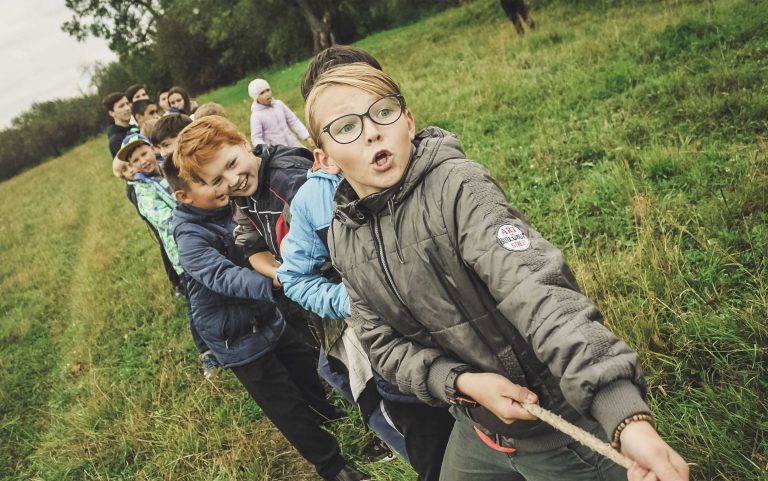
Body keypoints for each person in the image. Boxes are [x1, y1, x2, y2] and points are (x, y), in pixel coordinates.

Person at [303, 63, 691, 481]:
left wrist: (622, 413)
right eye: (345, 127)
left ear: (409, 121)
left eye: (383, 112)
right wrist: (461, 382)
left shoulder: (458, 189)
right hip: (475, 428)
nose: (372, 131)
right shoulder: (344, 236)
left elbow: (539, 293)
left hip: (555, 432)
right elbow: (381, 344)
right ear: (324, 159)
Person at [169, 124, 371, 481]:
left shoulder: (256, 188)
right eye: (213, 181)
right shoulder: (189, 235)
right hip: (236, 336)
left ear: (244, 145)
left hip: (270, 315)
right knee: (284, 403)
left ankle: (329, 414)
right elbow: (222, 276)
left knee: (307, 368)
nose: (226, 184)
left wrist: (281, 277)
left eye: (228, 168)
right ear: (186, 195)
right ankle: (331, 465)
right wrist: (279, 280)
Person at [114, 134, 216, 375]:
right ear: (132, 166)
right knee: (197, 304)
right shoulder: (142, 190)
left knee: (216, 288)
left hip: (207, 238)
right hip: (183, 253)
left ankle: (227, 334)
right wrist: (195, 213)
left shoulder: (171, 169)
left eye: (144, 153)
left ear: (152, 149)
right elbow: (164, 219)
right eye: (136, 159)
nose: (143, 160)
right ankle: (207, 353)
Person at [248, 78, 313, 148]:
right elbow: (256, 138)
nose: (267, 94)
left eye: (268, 90)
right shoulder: (256, 115)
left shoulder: (279, 104)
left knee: (308, 157)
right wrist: (266, 149)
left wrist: (307, 136)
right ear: (256, 98)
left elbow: (293, 121)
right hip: (278, 152)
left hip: (293, 144)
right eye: (262, 93)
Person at [103, 92, 137, 158]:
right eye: (121, 106)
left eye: (127, 103)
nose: (127, 108)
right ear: (112, 113)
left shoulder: (135, 128)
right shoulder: (116, 140)